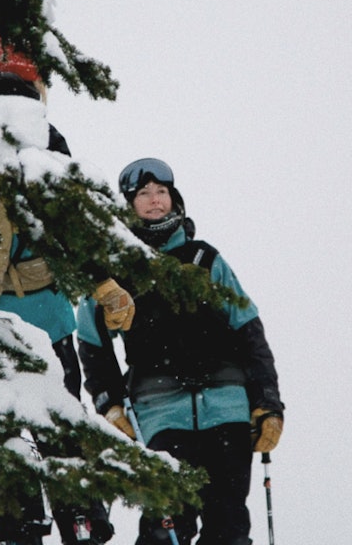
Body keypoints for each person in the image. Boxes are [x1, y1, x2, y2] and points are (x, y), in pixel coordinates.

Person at [0, 34, 129, 545]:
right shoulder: (37, 134)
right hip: (43, 315)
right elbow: (71, 221)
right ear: (30, 79)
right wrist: (103, 282)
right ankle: (81, 523)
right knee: (60, 428)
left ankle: (21, 529)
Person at [76, 157, 283, 545]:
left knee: (230, 527)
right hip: (159, 414)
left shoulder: (206, 260)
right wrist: (109, 402)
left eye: (162, 192)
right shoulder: (112, 271)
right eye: (144, 194)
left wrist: (268, 403)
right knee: (165, 529)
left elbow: (249, 333)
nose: (155, 201)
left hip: (228, 410)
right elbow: (91, 342)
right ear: (129, 205)